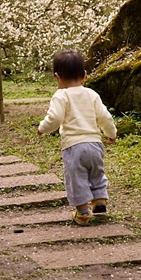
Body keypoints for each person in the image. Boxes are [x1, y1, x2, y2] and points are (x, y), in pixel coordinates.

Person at [37, 49, 116, 225]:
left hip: (74, 147)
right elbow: (105, 117)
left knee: (76, 178)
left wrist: (42, 128)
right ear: (84, 74)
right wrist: (111, 134)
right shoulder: (92, 94)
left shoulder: (61, 95)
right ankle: (100, 199)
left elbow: (55, 118)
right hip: (95, 144)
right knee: (97, 172)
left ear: (57, 77)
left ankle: (82, 212)